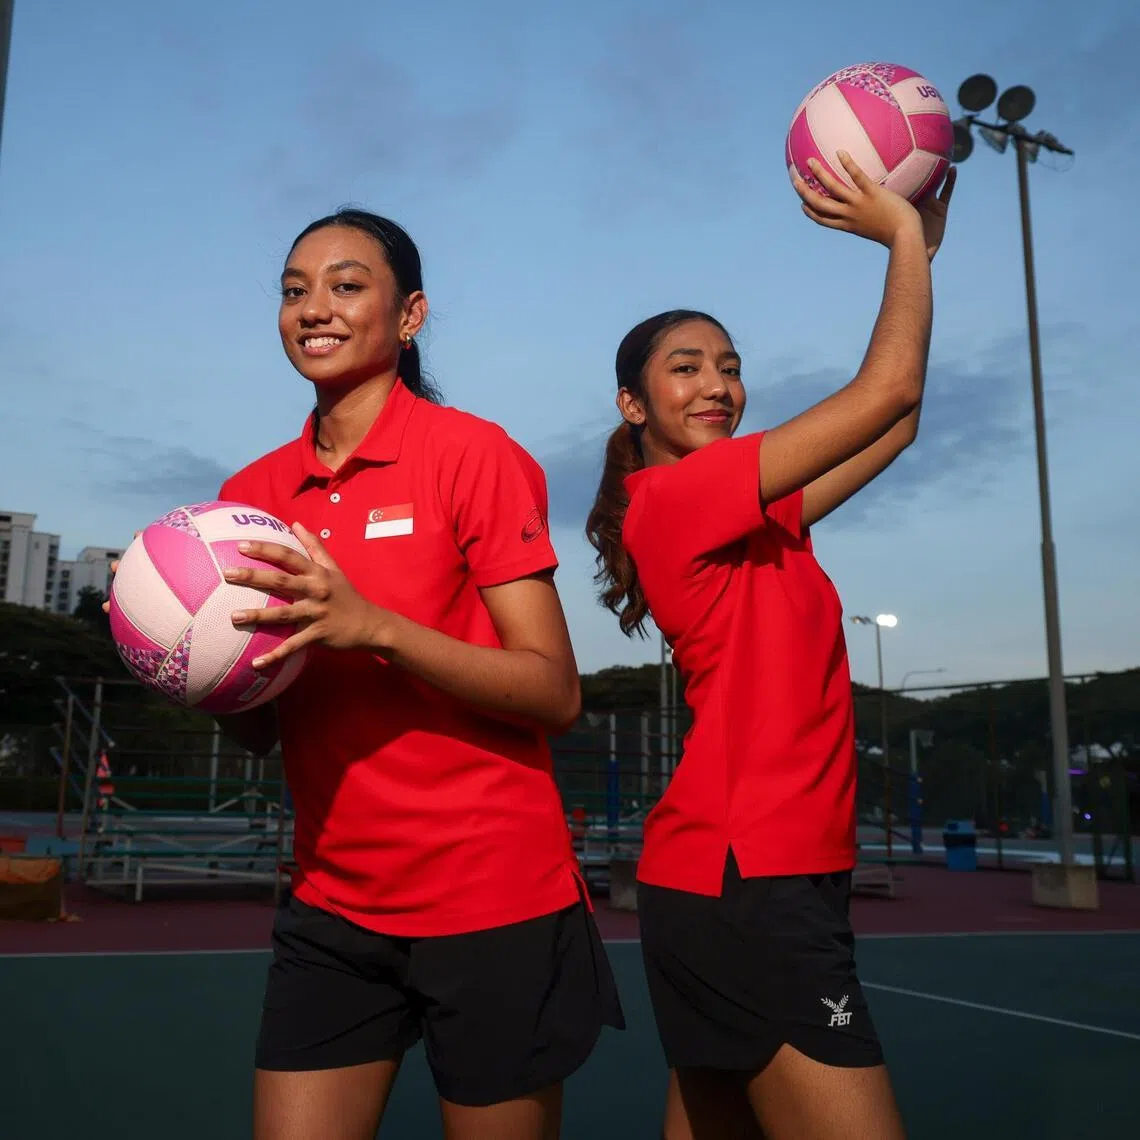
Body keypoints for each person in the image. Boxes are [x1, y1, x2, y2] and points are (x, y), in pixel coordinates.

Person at [214, 208, 623, 1140]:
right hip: (332, 902)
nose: (313, 308)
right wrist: (191, 669)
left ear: (411, 316)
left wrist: (375, 628)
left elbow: (554, 690)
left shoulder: (472, 455)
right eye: (293, 289)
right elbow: (262, 723)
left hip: (492, 899)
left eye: (346, 285)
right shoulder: (249, 499)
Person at [585, 153, 955, 1140]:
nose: (718, 385)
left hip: (736, 881)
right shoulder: (679, 497)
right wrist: (903, 240)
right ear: (635, 406)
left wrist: (923, 254)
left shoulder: (754, 518)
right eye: (687, 367)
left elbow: (900, 421)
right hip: (752, 881)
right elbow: (886, 388)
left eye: (731, 366)